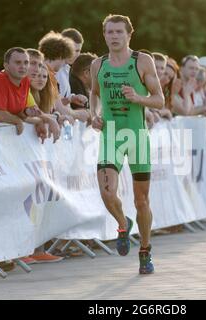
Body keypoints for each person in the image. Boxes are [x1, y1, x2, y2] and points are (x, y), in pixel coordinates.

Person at [90, 14, 164, 274]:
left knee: (141, 201)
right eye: (109, 32)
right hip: (110, 134)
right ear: (104, 35)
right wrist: (93, 115)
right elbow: (94, 94)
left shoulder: (142, 61)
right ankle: (123, 224)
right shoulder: (98, 65)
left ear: (129, 35)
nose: (114, 36)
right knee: (107, 192)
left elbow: (159, 101)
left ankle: (145, 251)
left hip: (136, 136)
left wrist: (138, 97)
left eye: (119, 32)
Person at [0, 47, 60, 143]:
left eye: (26, 63)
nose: (23, 66)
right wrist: (18, 121)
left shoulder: (25, 81)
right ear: (6, 66)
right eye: (18, 62)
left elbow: (20, 113)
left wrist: (39, 121)